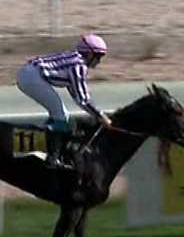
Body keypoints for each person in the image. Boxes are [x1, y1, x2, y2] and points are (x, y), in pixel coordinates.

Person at [16, 34, 112, 169]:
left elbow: (76, 95)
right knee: (61, 116)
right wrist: (100, 116)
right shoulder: (78, 65)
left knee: (60, 117)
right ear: (90, 54)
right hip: (32, 77)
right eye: (98, 56)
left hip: (30, 74)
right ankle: (51, 159)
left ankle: (42, 148)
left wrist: (97, 114)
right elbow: (83, 99)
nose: (99, 61)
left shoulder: (75, 60)